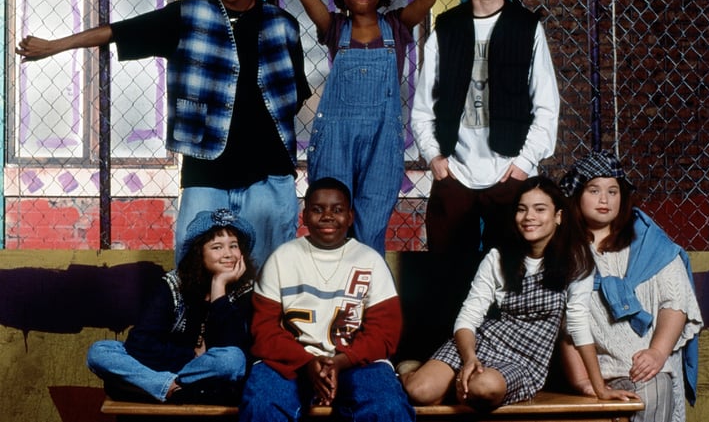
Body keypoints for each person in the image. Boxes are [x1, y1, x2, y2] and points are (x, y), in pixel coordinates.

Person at [16, 0, 311, 271]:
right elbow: (120, 31)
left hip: (269, 173)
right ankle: (192, 326)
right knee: (194, 269)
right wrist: (54, 46)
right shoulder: (188, 16)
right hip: (208, 169)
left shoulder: (282, 24)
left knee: (270, 273)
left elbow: (295, 94)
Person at [410, 0, 559, 341]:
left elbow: (546, 105)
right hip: (454, 172)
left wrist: (523, 166)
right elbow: (423, 104)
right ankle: (442, 349)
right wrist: (434, 158)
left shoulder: (526, 27)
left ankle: (504, 345)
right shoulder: (447, 27)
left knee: (511, 268)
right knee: (445, 269)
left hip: (506, 172)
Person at [398, 176, 616, 411]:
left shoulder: (577, 260)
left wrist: (600, 387)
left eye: (539, 209)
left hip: (524, 360)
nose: (529, 217)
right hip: (482, 343)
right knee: (419, 392)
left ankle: (458, 386)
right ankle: (410, 372)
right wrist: (470, 358)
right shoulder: (498, 257)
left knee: (483, 388)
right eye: (522, 210)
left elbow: (578, 324)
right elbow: (468, 317)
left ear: (558, 217)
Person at [297, 0, 437, 255]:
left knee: (370, 230)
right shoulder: (335, 28)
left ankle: (368, 300)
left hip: (381, 141)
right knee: (330, 226)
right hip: (336, 139)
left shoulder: (396, 26)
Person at [239, 176, 414, 422]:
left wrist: (342, 361)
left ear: (350, 217)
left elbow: (384, 333)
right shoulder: (282, 258)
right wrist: (307, 362)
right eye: (318, 209)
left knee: (387, 406)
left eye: (338, 210)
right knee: (262, 403)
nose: (328, 216)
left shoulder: (370, 260)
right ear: (305, 216)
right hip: (292, 360)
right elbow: (264, 331)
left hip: (356, 361)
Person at [557, 151, 703, 421]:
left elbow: (676, 301)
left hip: (646, 366)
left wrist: (657, 352)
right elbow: (564, 328)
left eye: (613, 191)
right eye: (594, 190)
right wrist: (583, 381)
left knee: (652, 391)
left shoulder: (648, 242)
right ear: (577, 195)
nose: (605, 199)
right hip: (596, 371)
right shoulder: (566, 251)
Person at [86, 208, 256, 404]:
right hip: (163, 367)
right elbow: (139, 343)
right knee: (100, 351)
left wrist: (219, 288)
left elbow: (236, 350)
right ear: (198, 253)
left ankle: (151, 386)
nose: (228, 254)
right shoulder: (173, 285)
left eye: (233, 246)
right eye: (217, 247)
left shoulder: (244, 289)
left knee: (232, 360)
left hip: (209, 370)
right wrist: (191, 355)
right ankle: (171, 388)